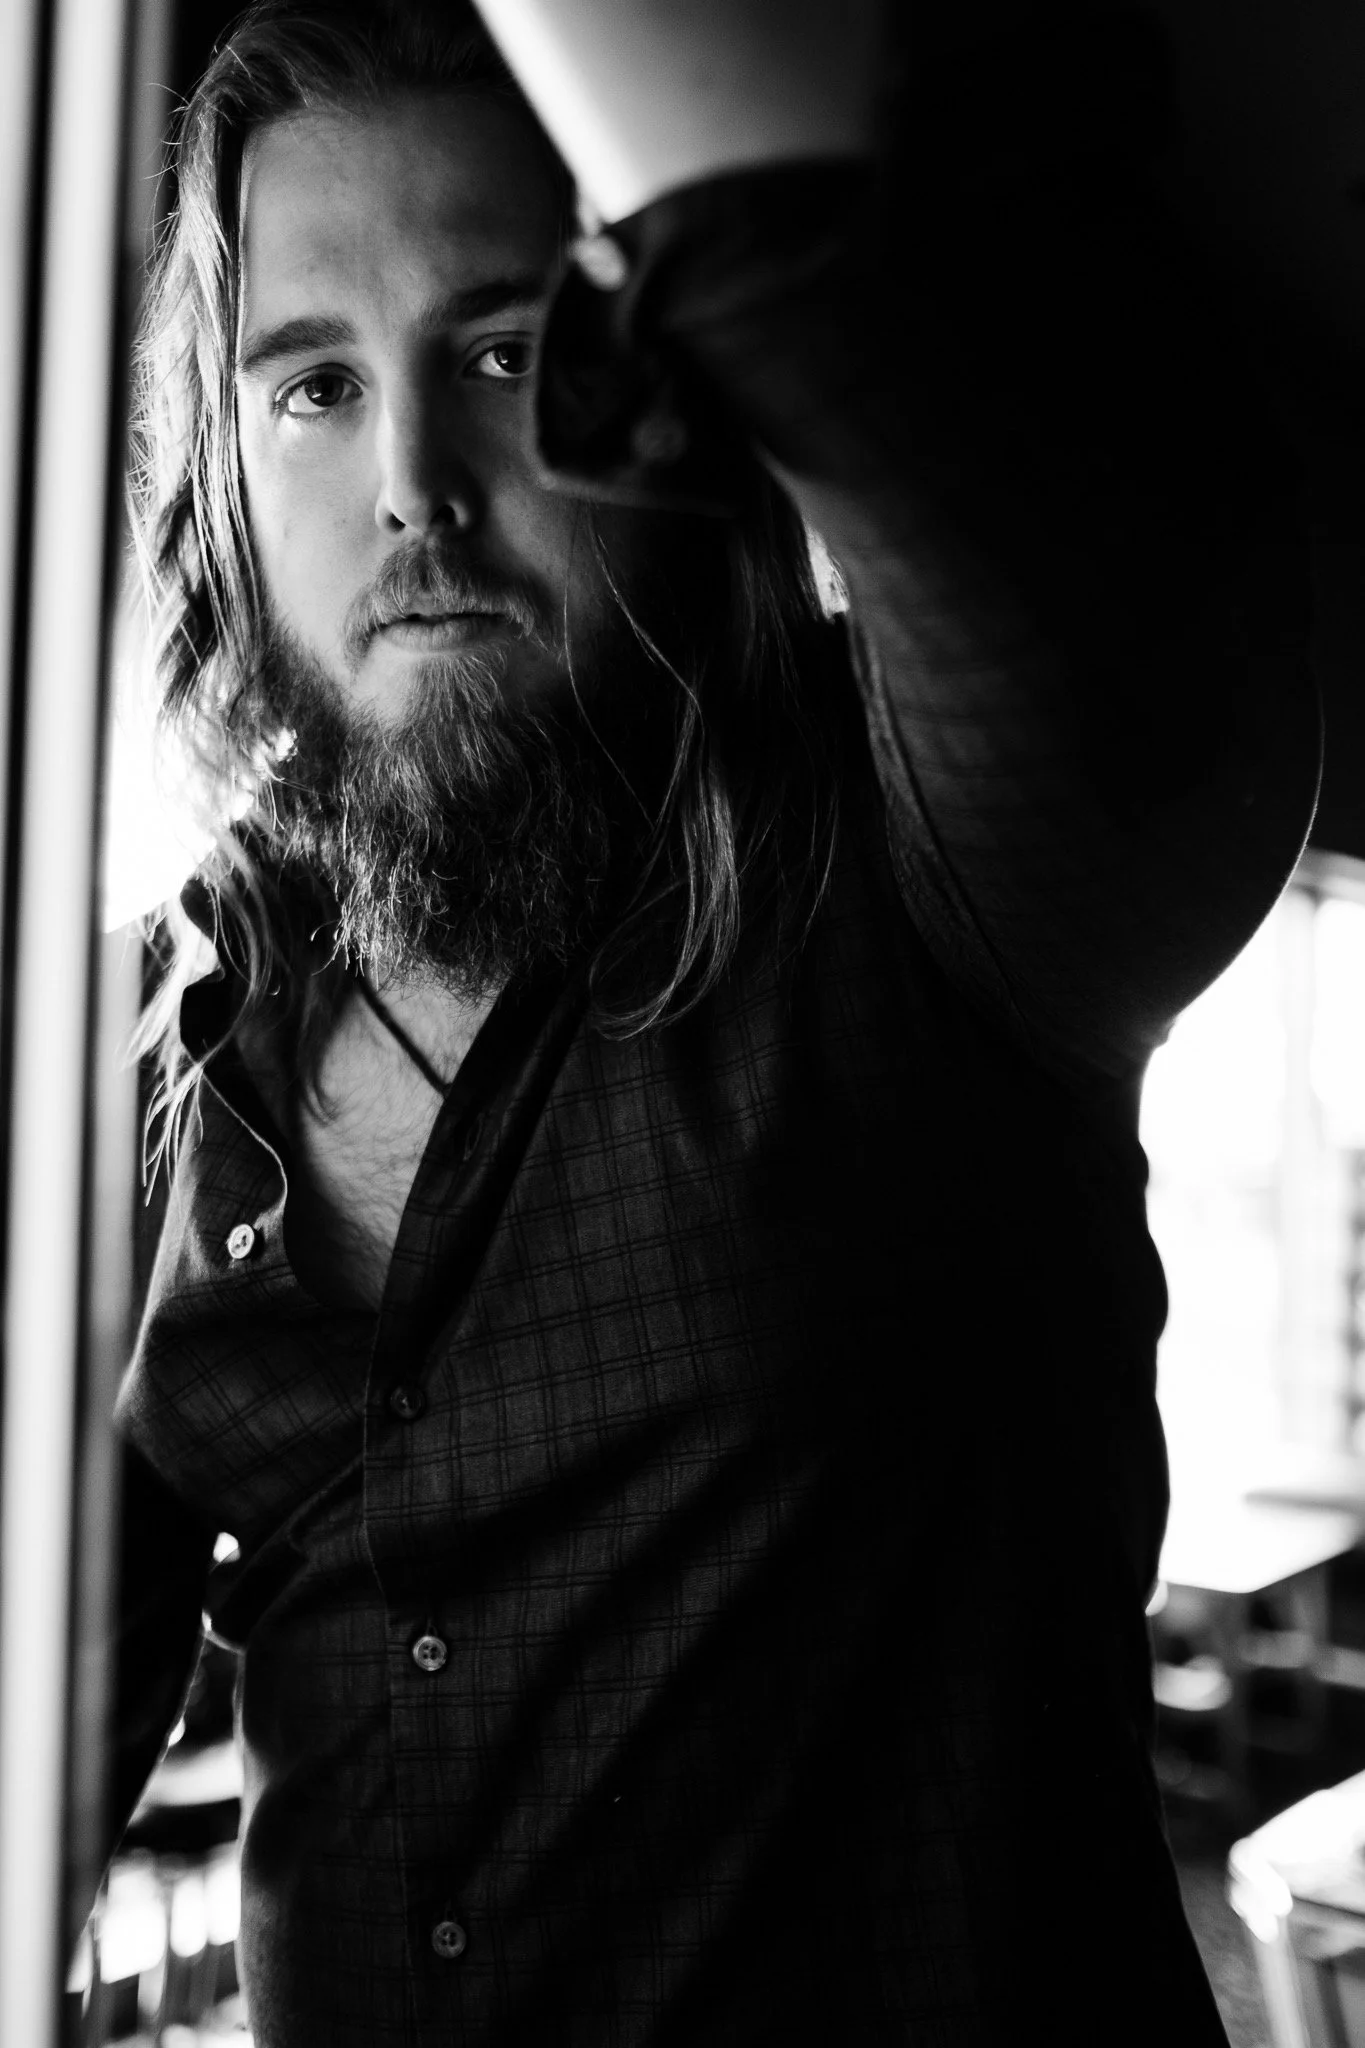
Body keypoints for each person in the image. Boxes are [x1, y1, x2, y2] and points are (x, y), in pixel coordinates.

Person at [109, 1, 1320, 2041]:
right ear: (227, 467)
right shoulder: (180, 1031)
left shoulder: (932, 887)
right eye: (313, 387)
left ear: (658, 383)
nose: (413, 486)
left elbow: (931, 409)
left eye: (502, 353)